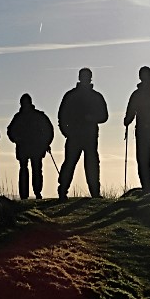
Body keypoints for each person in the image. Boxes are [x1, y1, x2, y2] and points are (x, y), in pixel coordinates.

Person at [57, 68, 109, 200]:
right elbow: (61, 117)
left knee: (90, 164)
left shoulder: (93, 96)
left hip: (89, 136)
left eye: (87, 76)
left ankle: (94, 193)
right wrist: (66, 132)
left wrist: (92, 118)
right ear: (80, 77)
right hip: (75, 135)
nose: (86, 79)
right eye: (84, 76)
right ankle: (63, 191)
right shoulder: (72, 96)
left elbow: (104, 116)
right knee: (71, 163)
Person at [7, 93, 54, 199]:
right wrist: (16, 139)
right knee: (30, 169)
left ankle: (35, 193)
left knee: (34, 169)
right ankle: (29, 194)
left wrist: (46, 143)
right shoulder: (34, 116)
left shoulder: (21, 117)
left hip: (33, 147)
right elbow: (10, 131)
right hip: (28, 147)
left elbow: (48, 130)